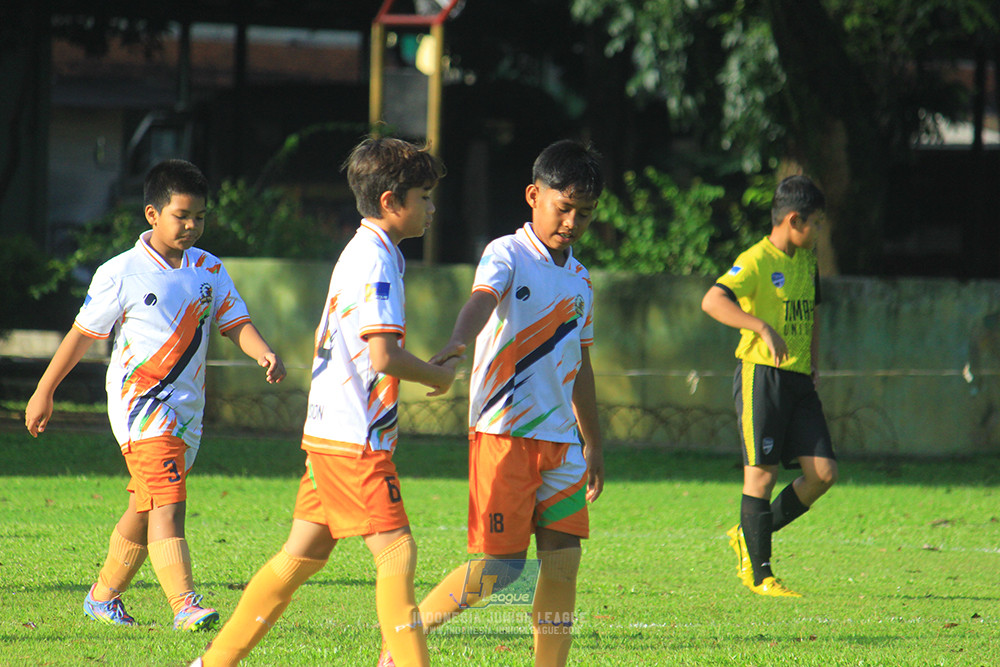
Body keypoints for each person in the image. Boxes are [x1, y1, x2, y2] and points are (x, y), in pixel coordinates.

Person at [190, 137, 459, 667]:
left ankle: (212, 663)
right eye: (424, 196)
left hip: (331, 434)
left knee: (302, 556)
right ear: (390, 202)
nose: (432, 207)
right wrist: (437, 376)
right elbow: (382, 356)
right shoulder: (376, 260)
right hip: (353, 440)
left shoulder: (369, 251)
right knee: (397, 552)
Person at [25, 159, 286, 630]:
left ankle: (103, 597)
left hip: (187, 407)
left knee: (144, 506)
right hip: (141, 405)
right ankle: (185, 604)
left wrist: (263, 351)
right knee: (169, 501)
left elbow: (234, 322)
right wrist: (44, 391)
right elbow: (82, 335)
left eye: (200, 217)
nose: (192, 225)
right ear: (152, 214)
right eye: (181, 215)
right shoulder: (119, 272)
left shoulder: (209, 268)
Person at [381, 139, 606, 667]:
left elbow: (583, 365)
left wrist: (592, 441)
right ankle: (403, 642)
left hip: (563, 448)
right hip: (504, 433)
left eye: (586, 213)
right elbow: (480, 302)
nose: (572, 222)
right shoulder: (506, 253)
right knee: (502, 569)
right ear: (534, 195)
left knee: (562, 564)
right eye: (564, 207)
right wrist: (459, 342)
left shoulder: (581, 280)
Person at [701, 174, 838, 598]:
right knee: (760, 475)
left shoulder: (807, 260)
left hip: (798, 380)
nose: (819, 231)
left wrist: (813, 363)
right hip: (761, 376)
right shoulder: (757, 259)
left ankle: (747, 533)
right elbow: (713, 300)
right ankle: (761, 576)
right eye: (815, 222)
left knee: (823, 474)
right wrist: (759, 326)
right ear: (793, 220)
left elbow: (812, 313)